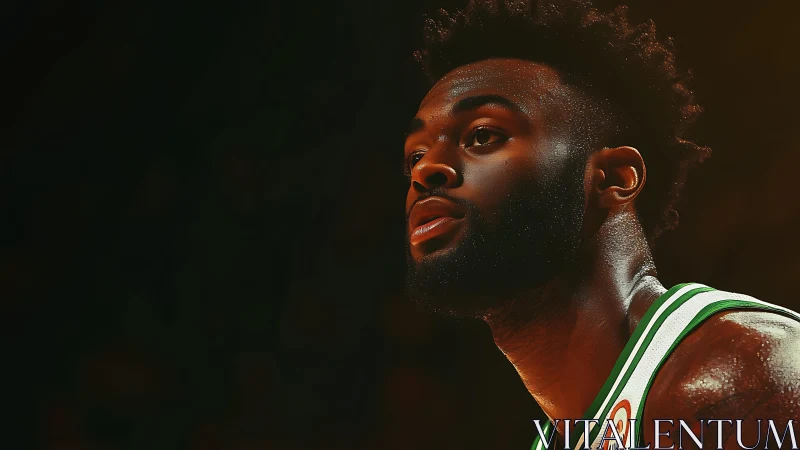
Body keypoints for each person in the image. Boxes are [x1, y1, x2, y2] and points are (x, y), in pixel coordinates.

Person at [402, 1, 800, 448]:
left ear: (612, 178)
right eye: (415, 156)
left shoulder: (735, 376)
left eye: (482, 135)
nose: (426, 170)